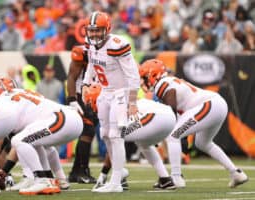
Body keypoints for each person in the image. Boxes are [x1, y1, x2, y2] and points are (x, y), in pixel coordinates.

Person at [139, 59, 248, 188]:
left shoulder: (163, 84)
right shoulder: (169, 81)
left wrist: (162, 132)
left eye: (145, 77)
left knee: (172, 135)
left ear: (154, 75)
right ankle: (236, 173)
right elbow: (176, 112)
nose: (143, 81)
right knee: (202, 143)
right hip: (215, 105)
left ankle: (176, 177)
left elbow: (171, 111)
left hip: (210, 105)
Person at [82, 11, 140, 193]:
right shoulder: (90, 45)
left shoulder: (118, 45)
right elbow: (91, 63)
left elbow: (133, 76)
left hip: (121, 93)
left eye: (97, 30)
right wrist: (85, 83)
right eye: (91, 31)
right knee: (105, 134)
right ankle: (119, 171)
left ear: (107, 29)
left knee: (116, 136)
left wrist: (132, 102)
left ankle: (115, 182)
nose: (93, 35)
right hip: (105, 92)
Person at [83, 84, 177, 191]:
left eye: (90, 103)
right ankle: (165, 179)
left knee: (114, 137)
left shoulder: (114, 103)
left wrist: (104, 173)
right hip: (168, 117)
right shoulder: (118, 98)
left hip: (155, 116)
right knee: (142, 143)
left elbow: (115, 142)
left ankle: (119, 178)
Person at [66, 45, 99, 184]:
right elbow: (72, 77)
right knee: (88, 131)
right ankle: (83, 171)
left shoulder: (110, 50)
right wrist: (72, 100)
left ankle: (75, 172)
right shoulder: (83, 52)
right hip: (82, 96)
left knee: (88, 133)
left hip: (97, 97)